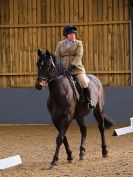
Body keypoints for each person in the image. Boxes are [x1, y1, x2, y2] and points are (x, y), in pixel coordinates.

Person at [55, 24, 95, 109]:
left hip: (77, 70)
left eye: (74, 34)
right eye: (70, 34)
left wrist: (72, 65)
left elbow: (79, 55)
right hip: (64, 71)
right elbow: (57, 57)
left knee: (84, 82)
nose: (73, 35)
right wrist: (60, 67)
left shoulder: (79, 43)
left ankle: (89, 101)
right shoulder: (60, 44)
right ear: (66, 35)